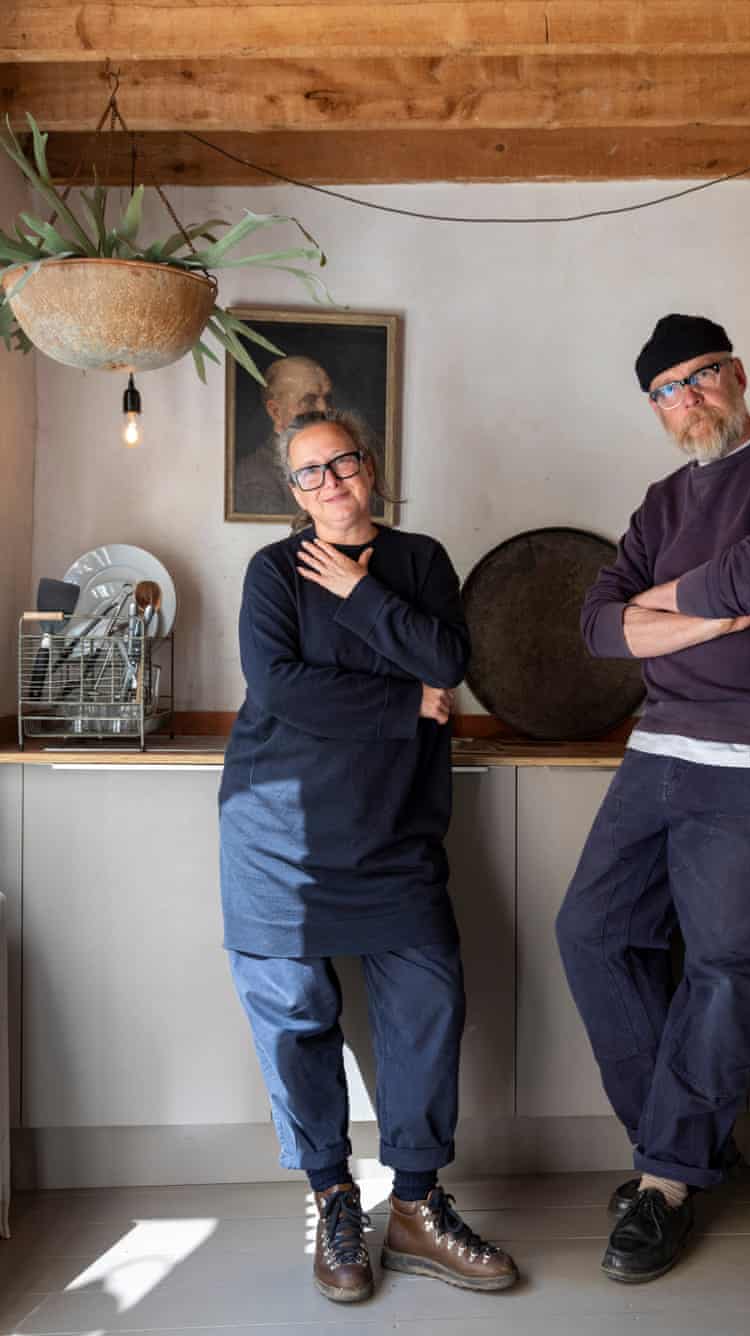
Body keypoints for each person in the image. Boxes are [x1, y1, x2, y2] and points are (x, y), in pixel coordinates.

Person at [556, 314, 750, 1284]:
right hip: (658, 749)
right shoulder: (656, 502)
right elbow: (597, 627)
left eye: (702, 374)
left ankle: (666, 1183)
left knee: (722, 965)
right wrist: (702, 614)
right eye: (667, 390)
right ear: (654, 410)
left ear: (736, 370)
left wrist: (653, 612)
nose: (688, 398)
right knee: (591, 931)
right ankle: (668, 1154)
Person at [219, 408, 518, 1303]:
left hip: (394, 830)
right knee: (298, 1016)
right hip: (277, 834)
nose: (331, 483)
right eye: (309, 474)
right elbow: (280, 687)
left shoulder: (420, 562)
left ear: (371, 466)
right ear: (293, 491)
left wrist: (359, 593)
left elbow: (448, 658)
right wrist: (403, 706)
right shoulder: (272, 571)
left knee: (429, 1003)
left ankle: (419, 1207)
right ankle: (334, 1199)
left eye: (342, 463)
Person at [234, 356, 334, 515]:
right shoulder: (255, 476)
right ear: (276, 411)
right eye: (309, 400)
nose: (324, 409)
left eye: (328, 398)